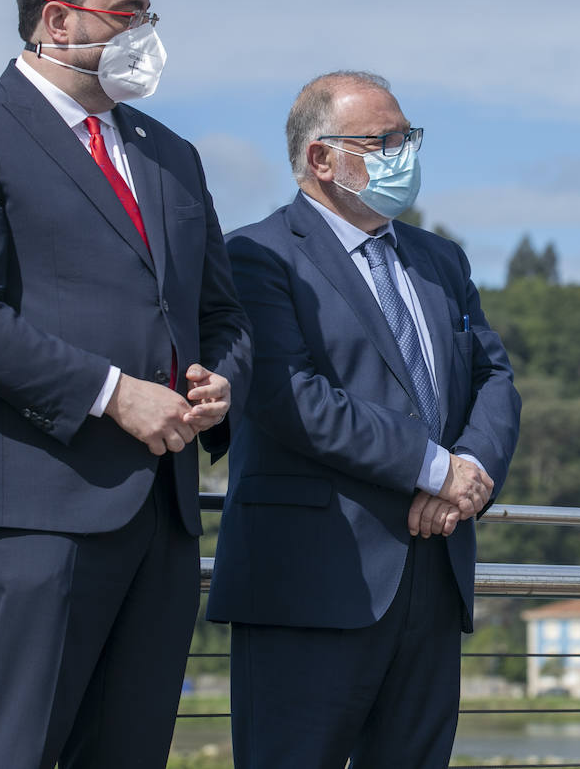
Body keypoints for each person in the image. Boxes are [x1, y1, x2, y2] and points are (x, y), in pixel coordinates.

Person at [0, 0, 251, 769]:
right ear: (57, 20)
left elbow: (223, 313)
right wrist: (113, 392)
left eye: (148, 15)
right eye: (126, 15)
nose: (145, 35)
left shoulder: (173, 155)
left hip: (161, 518)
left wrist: (221, 382)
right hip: (30, 509)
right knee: (10, 751)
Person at [206, 71, 521, 768]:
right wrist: (438, 469)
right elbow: (291, 397)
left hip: (432, 579)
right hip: (310, 580)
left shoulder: (441, 258)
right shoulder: (257, 256)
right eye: (382, 141)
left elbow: (494, 378)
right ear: (321, 159)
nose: (402, 155)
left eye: (408, 138)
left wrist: (472, 472)